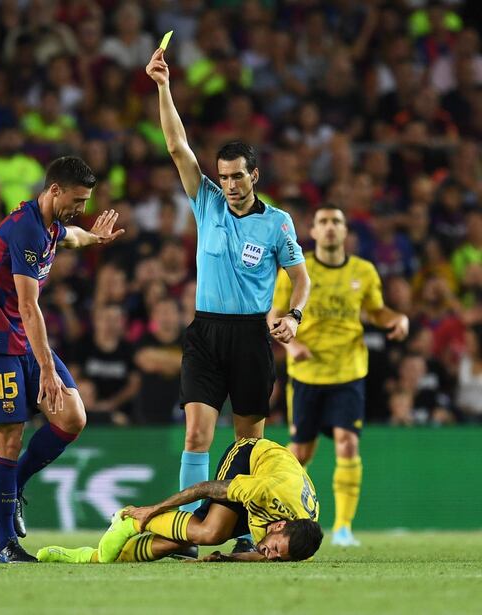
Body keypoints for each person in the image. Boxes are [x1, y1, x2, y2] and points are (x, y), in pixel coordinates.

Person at [144, 48, 311, 540]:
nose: (231, 184)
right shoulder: (207, 205)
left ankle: (236, 530)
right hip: (206, 332)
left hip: (251, 337)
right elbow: (177, 146)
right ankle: (183, 534)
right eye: (224, 176)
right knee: (196, 432)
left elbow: (301, 278)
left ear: (255, 175)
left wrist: (295, 315)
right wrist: (163, 86)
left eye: (239, 175)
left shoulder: (278, 222)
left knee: (246, 445)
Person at [0, 156, 123, 563]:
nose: (82, 208)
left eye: (86, 201)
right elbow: (28, 305)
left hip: (22, 340)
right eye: (77, 199)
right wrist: (48, 371)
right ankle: (6, 546)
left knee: (72, 417)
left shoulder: (48, 225)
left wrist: (94, 238)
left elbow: (70, 235)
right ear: (54, 190)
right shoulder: (25, 232)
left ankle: (14, 485)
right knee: (9, 437)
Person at [270, 205, 409, 547]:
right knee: (301, 452)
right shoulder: (296, 271)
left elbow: (376, 311)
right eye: (323, 222)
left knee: (348, 443)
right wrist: (291, 348)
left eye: (336, 222)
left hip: (348, 373)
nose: (330, 227)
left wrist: (397, 319)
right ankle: (286, 518)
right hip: (306, 373)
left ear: (346, 232)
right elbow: (273, 314)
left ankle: (344, 528)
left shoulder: (364, 271)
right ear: (313, 232)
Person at [37, 437, 322, 563]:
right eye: (272, 549)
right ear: (278, 525)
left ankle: (94, 557)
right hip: (250, 459)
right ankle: (131, 522)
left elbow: (269, 554)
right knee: (209, 531)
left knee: (184, 540)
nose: (268, 554)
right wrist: (155, 509)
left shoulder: (299, 542)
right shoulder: (264, 489)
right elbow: (202, 488)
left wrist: (226, 559)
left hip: (269, 489)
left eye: (276, 556)